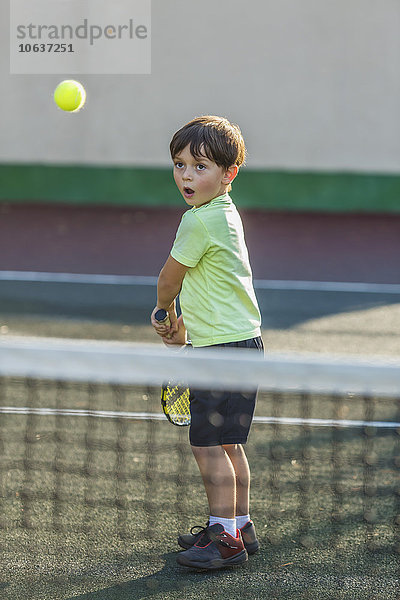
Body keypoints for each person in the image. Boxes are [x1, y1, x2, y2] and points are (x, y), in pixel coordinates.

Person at [151, 115, 263, 570]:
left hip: (218, 351)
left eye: (200, 166)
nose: (186, 176)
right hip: (245, 346)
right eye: (180, 165)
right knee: (231, 443)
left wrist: (164, 314)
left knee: (207, 444)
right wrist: (185, 331)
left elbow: (168, 278)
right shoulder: (226, 214)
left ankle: (223, 537)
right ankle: (240, 525)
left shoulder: (196, 222)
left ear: (228, 173)